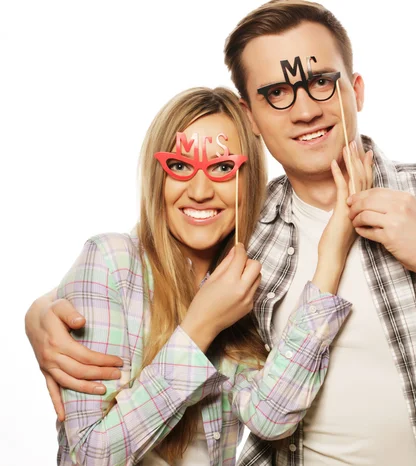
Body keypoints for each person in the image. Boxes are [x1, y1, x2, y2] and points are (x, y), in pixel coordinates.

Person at [26, 1, 416, 465]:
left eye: (320, 81)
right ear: (251, 115)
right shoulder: (243, 242)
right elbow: (153, 265)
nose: (306, 108)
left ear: (356, 89)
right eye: (276, 93)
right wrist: (46, 312)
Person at [34, 85, 373, 465]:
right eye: (179, 166)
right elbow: (89, 457)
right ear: (155, 174)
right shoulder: (111, 264)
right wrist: (199, 328)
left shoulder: (246, 283)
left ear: (249, 179)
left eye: (223, 168)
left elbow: (272, 416)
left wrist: (330, 257)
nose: (199, 190)